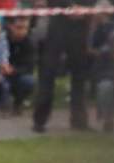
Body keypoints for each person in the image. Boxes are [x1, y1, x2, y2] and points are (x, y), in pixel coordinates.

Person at [32, 0, 93, 133]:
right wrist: (68, 7)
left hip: (80, 27)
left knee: (79, 75)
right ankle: (39, 120)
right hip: (57, 25)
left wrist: (86, 8)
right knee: (48, 73)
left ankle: (79, 119)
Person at [5, 16, 35, 114]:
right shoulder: (3, 40)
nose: (22, 31)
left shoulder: (29, 43)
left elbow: (30, 66)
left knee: (29, 81)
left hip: (18, 73)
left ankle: (18, 103)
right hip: (1, 70)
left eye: (25, 28)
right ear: (10, 26)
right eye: (18, 27)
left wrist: (14, 70)